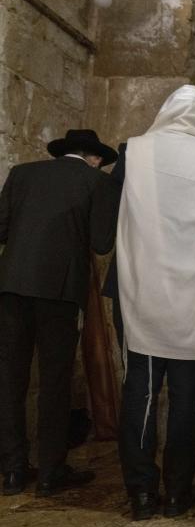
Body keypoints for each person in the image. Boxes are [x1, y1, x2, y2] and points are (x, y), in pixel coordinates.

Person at [98, 85, 195, 520]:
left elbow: (105, 227)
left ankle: (141, 495)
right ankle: (179, 493)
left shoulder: (134, 152)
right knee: (188, 394)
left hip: (140, 288)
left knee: (141, 390)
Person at [0, 129, 116, 497]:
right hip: (60, 292)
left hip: (11, 286)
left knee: (9, 379)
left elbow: (1, 229)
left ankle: (14, 470)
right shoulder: (96, 181)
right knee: (54, 381)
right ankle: (51, 472)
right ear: (94, 157)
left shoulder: (22, 173)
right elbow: (101, 244)